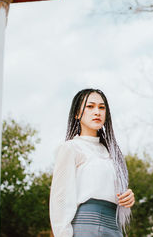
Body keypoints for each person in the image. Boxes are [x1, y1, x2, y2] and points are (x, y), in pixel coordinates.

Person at [50, 88, 135, 237]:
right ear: (77, 114)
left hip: (114, 227)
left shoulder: (112, 154)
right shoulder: (71, 148)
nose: (97, 112)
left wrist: (128, 197)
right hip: (86, 226)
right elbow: (60, 200)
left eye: (102, 107)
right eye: (90, 106)